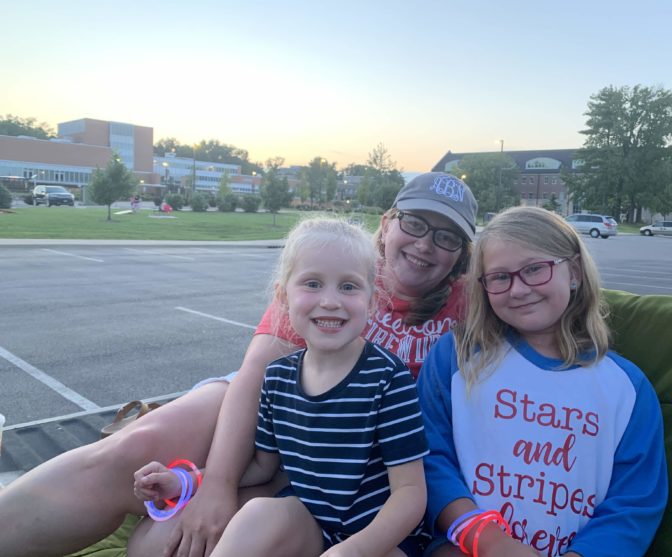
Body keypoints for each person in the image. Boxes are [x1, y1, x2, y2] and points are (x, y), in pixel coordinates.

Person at [0, 171, 477, 557]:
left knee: (159, 546)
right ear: (388, 222)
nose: (426, 244)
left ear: (462, 255)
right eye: (414, 223)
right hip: (281, 400)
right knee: (135, 449)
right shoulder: (331, 263)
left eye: (447, 237)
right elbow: (256, 377)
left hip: (351, 447)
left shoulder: (473, 302)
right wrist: (214, 486)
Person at [133, 218, 429, 556]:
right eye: (313, 284)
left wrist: (355, 550)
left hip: (381, 539)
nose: (330, 301)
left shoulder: (388, 378)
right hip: (312, 525)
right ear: (283, 297)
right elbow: (262, 468)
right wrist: (185, 481)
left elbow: (410, 493)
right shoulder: (277, 378)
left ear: (372, 302)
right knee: (260, 513)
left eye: (348, 287)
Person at [416, 206, 668, 557]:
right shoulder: (457, 356)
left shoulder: (627, 388)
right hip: (465, 547)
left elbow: (635, 501)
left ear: (574, 272)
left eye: (535, 269)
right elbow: (428, 458)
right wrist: (487, 540)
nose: (518, 289)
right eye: (499, 277)